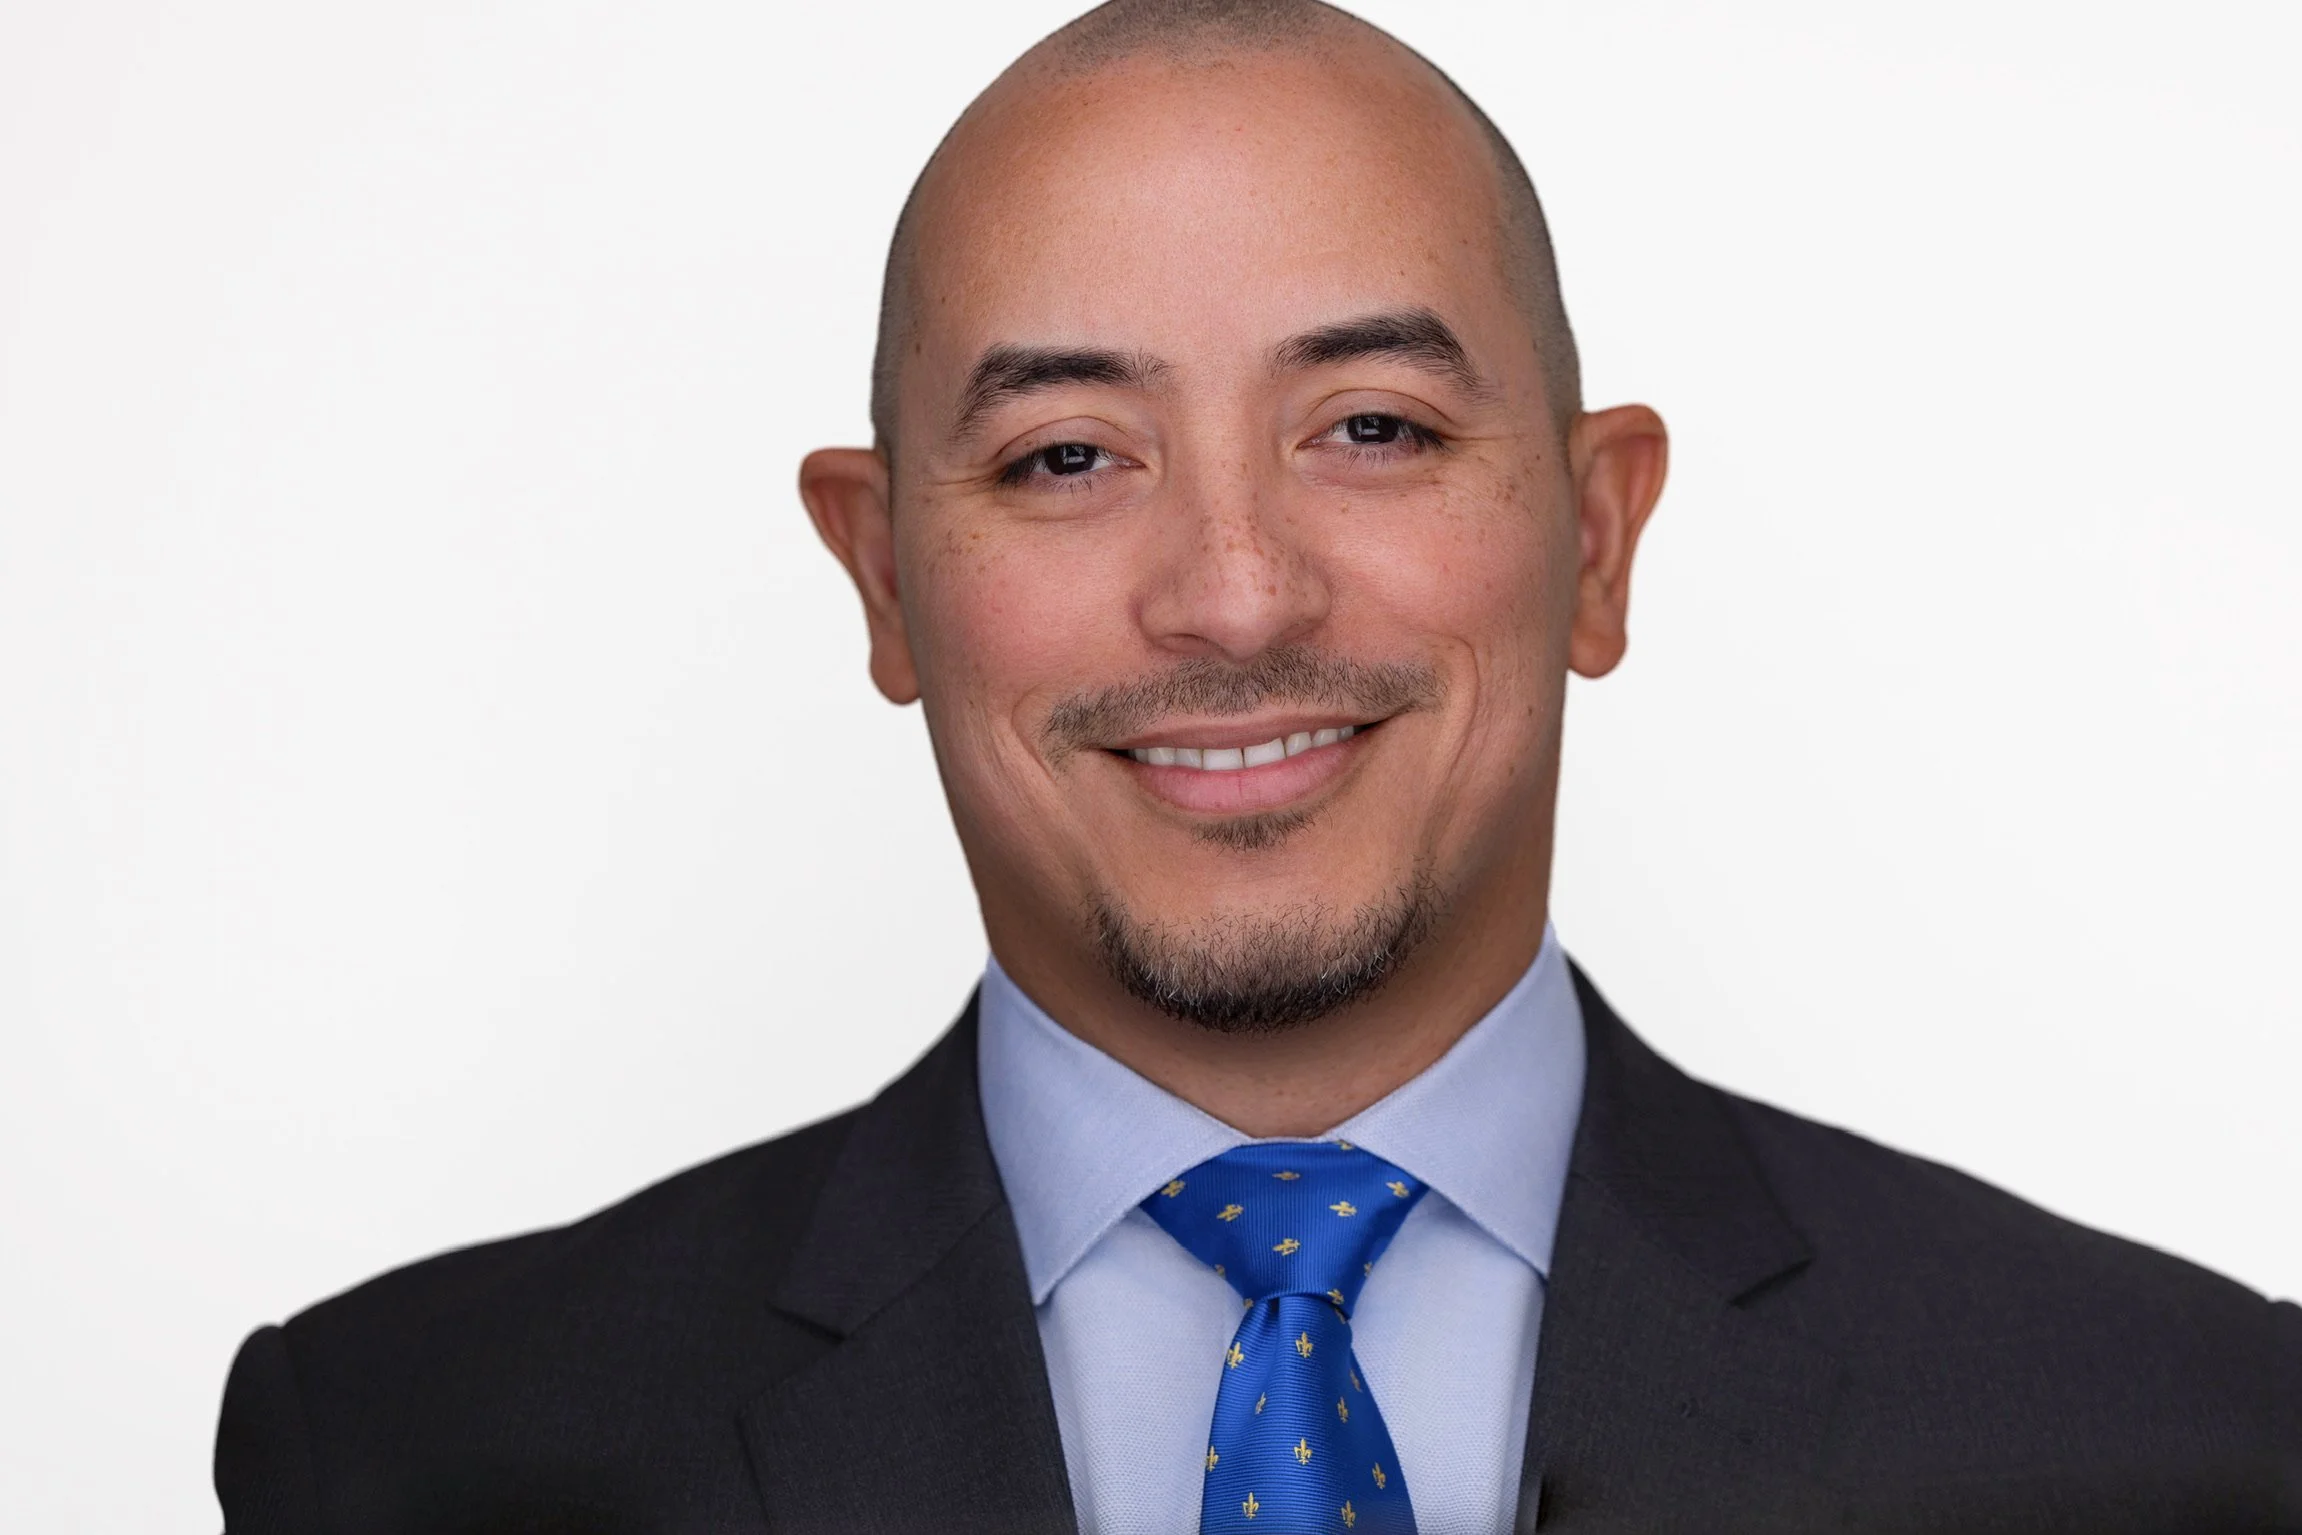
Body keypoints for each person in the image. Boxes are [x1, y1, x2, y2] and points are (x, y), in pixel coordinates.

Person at [212, 1, 2300, 1529]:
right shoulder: (409, 1452)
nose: (1229, 593)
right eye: (1062, 457)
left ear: (1597, 532)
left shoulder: (2194, 1442)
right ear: (880, 576)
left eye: (1371, 425)